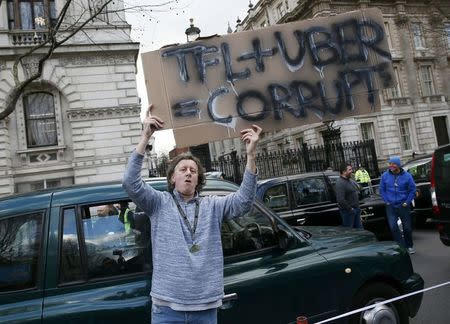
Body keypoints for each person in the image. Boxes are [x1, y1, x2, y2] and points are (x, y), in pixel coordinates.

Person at [122, 105, 262, 324]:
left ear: (198, 180)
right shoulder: (159, 203)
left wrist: (251, 155)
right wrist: (145, 136)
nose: (188, 172)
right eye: (182, 169)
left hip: (205, 309)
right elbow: (130, 183)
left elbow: (244, 202)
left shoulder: (212, 206)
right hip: (167, 308)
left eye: (193, 170)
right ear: (172, 179)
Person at [379, 156, 416, 254]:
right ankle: (401, 246)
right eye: (390, 163)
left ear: (398, 165)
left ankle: (409, 246)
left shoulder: (407, 176)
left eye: (393, 164)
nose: (391, 166)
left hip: (403, 205)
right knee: (393, 227)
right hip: (390, 205)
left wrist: (407, 202)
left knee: (407, 227)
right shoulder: (385, 176)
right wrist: (386, 201)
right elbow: (382, 190)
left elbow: (412, 190)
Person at [335, 163, 363, 229]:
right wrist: (350, 209)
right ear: (344, 172)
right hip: (348, 212)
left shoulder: (350, 180)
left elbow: (359, 188)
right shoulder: (340, 183)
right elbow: (340, 200)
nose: (352, 171)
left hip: (356, 209)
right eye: (350, 170)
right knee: (350, 231)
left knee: (360, 231)